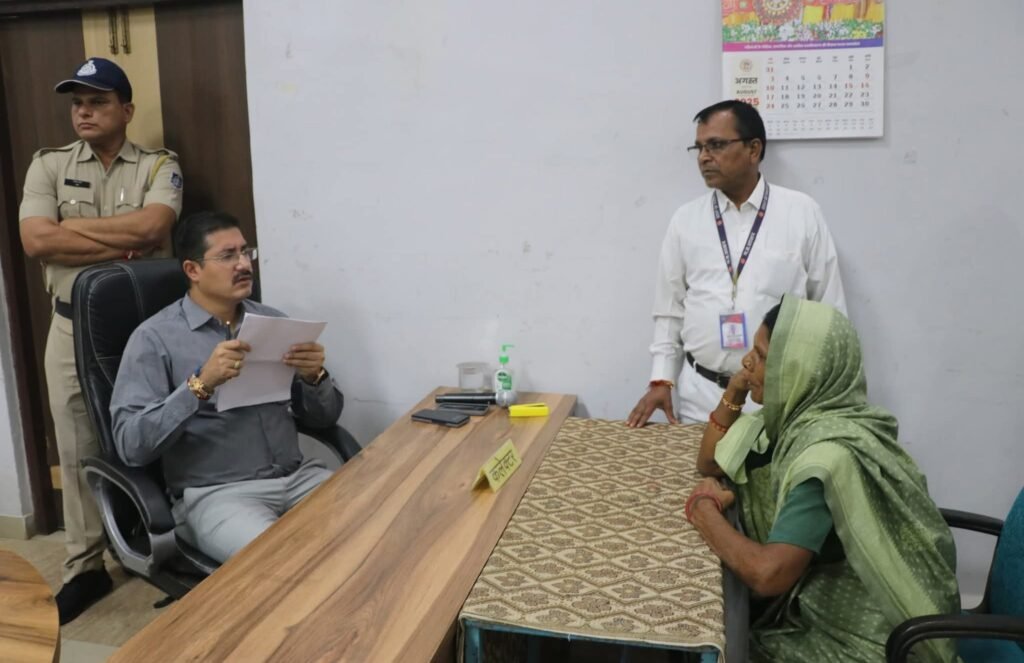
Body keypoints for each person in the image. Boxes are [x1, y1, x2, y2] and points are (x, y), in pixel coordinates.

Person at [685, 297, 959, 662]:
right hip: (843, 612)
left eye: (762, 356)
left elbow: (769, 575)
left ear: (798, 370)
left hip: (869, 639)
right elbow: (709, 462)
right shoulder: (802, 423)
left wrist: (704, 512)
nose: (748, 362)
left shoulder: (825, 459)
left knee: (716, 638)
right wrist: (735, 390)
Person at [18, 57, 183, 623]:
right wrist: (122, 243)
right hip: (70, 326)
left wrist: (71, 230)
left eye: (98, 102)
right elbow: (36, 242)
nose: (84, 112)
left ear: (126, 110)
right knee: (76, 446)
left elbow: (153, 227)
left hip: (145, 329)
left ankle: (159, 543)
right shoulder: (48, 165)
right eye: (77, 103)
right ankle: (85, 567)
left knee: (157, 430)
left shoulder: (159, 165)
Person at [109, 211, 343, 564]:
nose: (243, 264)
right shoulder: (154, 339)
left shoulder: (273, 322)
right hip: (220, 495)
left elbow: (324, 419)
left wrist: (315, 378)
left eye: (245, 252)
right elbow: (131, 445)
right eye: (227, 256)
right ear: (193, 270)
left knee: (378, 523)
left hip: (299, 478)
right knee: (288, 563)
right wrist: (199, 385)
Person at [627, 100, 845, 428]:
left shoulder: (801, 214)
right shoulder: (686, 220)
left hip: (776, 400)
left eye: (716, 145)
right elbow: (669, 310)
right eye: (699, 147)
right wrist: (662, 379)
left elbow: (830, 314)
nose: (703, 157)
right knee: (700, 465)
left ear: (753, 149)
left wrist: (825, 399)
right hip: (702, 396)